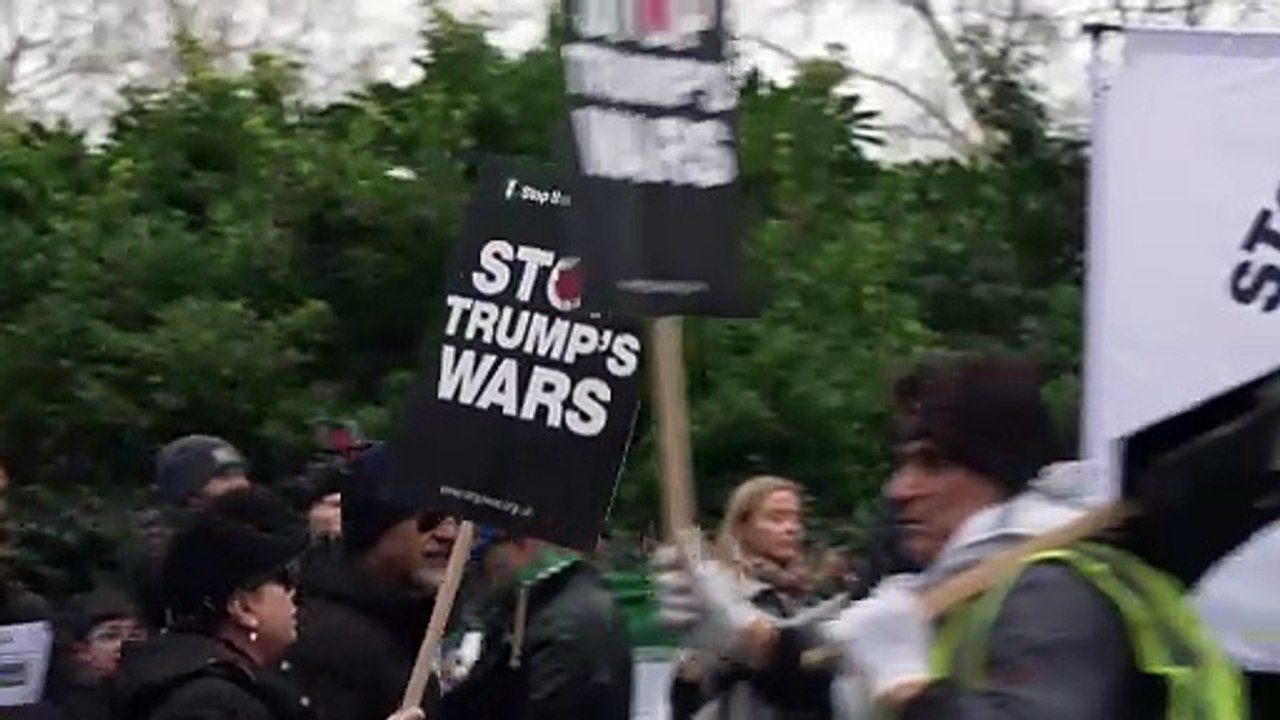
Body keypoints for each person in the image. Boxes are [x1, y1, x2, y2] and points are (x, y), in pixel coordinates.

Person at [656, 353, 1245, 720]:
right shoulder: (972, 586)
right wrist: (742, 634)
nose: (900, 490)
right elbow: (833, 677)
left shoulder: (1053, 591)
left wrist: (909, 691)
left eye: (932, 463)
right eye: (903, 463)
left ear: (998, 472)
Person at [113, 485, 423, 720]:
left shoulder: (226, 687)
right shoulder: (207, 702)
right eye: (284, 579)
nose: (294, 593)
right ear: (243, 608)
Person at [288, 443, 455, 720]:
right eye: (429, 516)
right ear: (373, 524)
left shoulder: (409, 628)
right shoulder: (327, 645)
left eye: (458, 518)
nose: (449, 534)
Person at [669, 475, 839, 720]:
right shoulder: (721, 592)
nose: (792, 528)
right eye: (776, 518)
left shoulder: (805, 597)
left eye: (796, 518)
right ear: (742, 527)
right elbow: (690, 688)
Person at [438, 527, 633, 719]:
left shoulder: (562, 621)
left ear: (520, 544)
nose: (482, 573)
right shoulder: (540, 604)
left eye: (483, 558)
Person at [49, 588, 146, 720]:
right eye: (110, 636)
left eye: (135, 635)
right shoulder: (73, 708)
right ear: (81, 651)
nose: (127, 643)